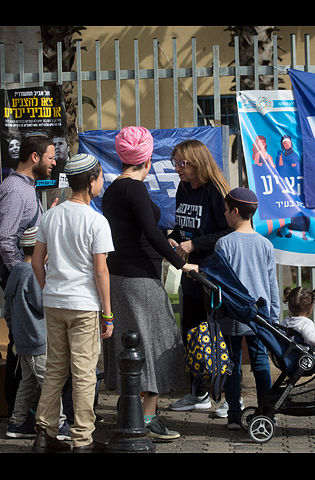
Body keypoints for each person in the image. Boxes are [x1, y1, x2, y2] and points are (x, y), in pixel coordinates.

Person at [102, 126, 199, 441]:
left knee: (130, 345)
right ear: (147, 157)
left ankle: (130, 412)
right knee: (156, 343)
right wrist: (181, 264)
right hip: (140, 278)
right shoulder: (135, 189)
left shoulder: (113, 189)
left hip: (119, 276)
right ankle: (148, 418)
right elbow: (152, 232)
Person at [31, 153, 114, 454]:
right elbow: (100, 270)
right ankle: (83, 440)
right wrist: (108, 313)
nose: (102, 182)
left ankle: (44, 434)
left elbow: (37, 263)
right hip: (84, 305)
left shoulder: (51, 215)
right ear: (91, 182)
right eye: (101, 177)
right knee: (83, 373)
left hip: (54, 302)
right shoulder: (96, 221)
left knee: (55, 369)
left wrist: (49, 289)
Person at [0, 133, 58, 416]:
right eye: (51, 157)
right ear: (35, 157)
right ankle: (17, 412)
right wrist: (26, 271)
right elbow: (6, 240)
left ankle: (22, 413)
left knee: (24, 344)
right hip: (22, 278)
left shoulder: (27, 188)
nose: (54, 163)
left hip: (25, 277)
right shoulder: (16, 190)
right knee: (22, 345)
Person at [168, 139, 233, 412]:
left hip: (214, 275)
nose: (178, 169)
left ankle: (232, 399)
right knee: (191, 333)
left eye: (182, 164)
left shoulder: (216, 192)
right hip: (190, 275)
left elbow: (229, 230)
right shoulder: (183, 188)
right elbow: (182, 224)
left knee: (221, 337)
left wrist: (195, 244)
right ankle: (200, 394)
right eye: (175, 164)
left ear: (198, 162)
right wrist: (172, 238)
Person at [211, 187, 279, 429]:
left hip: (231, 314)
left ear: (236, 211)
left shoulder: (223, 244)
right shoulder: (265, 245)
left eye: (226, 210)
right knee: (261, 362)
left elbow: (220, 283)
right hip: (259, 317)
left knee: (232, 364)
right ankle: (266, 412)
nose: (224, 215)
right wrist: (274, 316)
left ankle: (234, 416)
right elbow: (272, 284)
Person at [4, 226, 46, 438]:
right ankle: (59, 422)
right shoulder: (33, 274)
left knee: (27, 383)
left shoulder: (17, 272)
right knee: (48, 382)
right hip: (38, 339)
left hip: (22, 340)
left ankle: (17, 422)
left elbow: (7, 312)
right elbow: (41, 304)